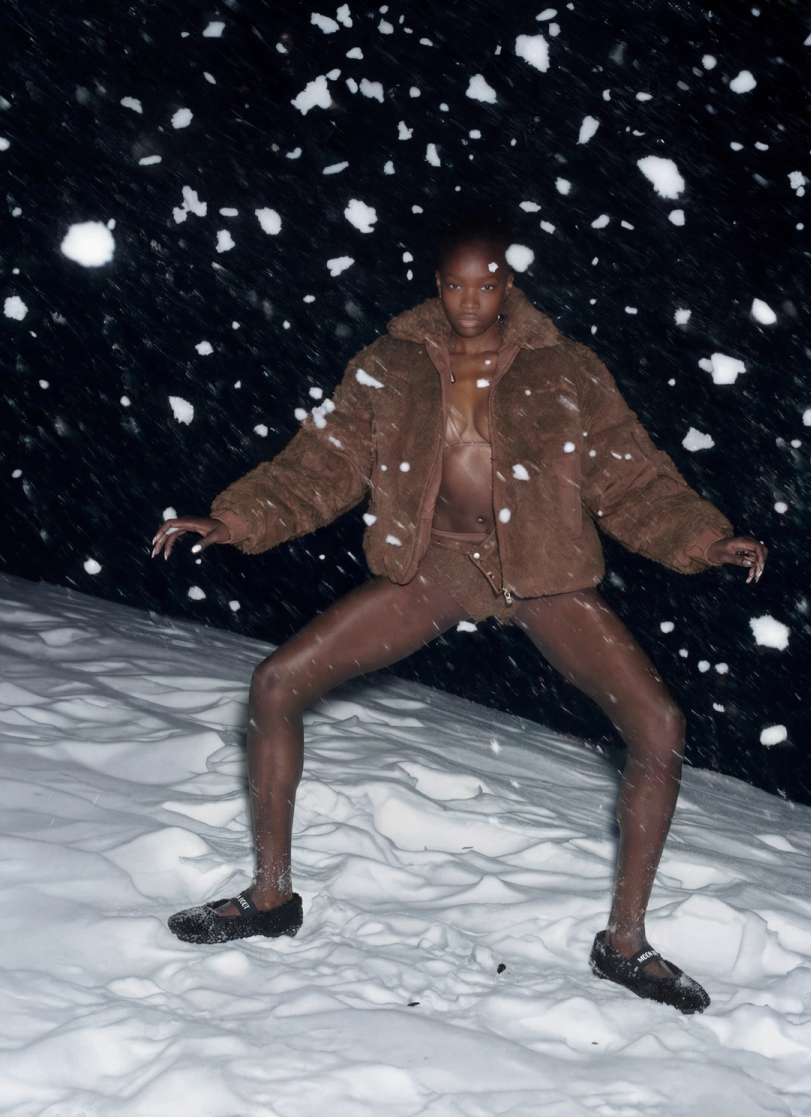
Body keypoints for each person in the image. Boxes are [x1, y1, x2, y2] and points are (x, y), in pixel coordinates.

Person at [152, 213, 767, 1014]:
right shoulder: (391, 364)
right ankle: (270, 897)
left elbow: (631, 477)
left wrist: (705, 539)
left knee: (659, 725)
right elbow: (322, 463)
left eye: (485, 283)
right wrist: (234, 518)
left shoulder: (565, 368)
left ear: (508, 283)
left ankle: (625, 943)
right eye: (454, 284)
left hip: (540, 571)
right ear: (436, 286)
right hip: (436, 565)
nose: (469, 300)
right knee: (275, 684)